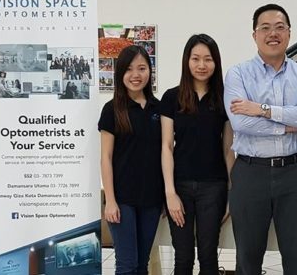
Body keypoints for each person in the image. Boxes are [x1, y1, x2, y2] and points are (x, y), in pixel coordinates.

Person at [224, 3, 297, 275]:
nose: (272, 33)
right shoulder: (238, 74)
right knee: (247, 259)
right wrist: (285, 126)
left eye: (279, 27)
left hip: (295, 173)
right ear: (254, 35)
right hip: (250, 172)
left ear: (289, 33)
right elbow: (241, 123)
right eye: (265, 28)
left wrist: (262, 110)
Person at [160, 34, 235, 275]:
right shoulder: (171, 97)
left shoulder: (223, 99)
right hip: (179, 186)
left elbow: (228, 148)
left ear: (216, 62)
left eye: (208, 59)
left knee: (208, 256)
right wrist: (169, 193)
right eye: (196, 59)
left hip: (213, 187)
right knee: (183, 258)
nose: (202, 65)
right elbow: (166, 146)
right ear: (187, 61)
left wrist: (231, 192)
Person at [100, 45, 163, 275]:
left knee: (142, 264)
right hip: (122, 199)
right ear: (120, 74)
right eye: (129, 69)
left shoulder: (159, 109)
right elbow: (105, 158)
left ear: (150, 71)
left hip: (152, 199)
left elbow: (166, 152)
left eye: (142, 68)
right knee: (126, 265)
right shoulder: (112, 109)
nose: (135, 75)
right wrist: (110, 200)